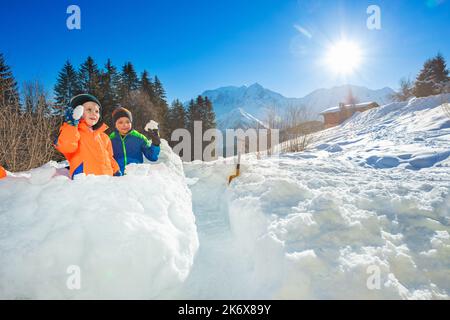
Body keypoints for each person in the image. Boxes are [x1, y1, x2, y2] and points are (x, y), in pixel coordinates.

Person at [54, 94, 121, 178]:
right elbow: (66, 146)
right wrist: (71, 124)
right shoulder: (73, 131)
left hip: (106, 181)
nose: (93, 113)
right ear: (79, 113)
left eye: (97, 111)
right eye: (89, 110)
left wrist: (116, 170)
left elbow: (109, 157)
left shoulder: (104, 137)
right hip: (85, 182)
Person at [109, 107, 160, 174]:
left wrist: (155, 143)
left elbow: (152, 157)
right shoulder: (110, 139)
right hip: (117, 177)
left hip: (135, 176)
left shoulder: (139, 138)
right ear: (115, 124)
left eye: (128, 122)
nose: (125, 125)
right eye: (120, 122)